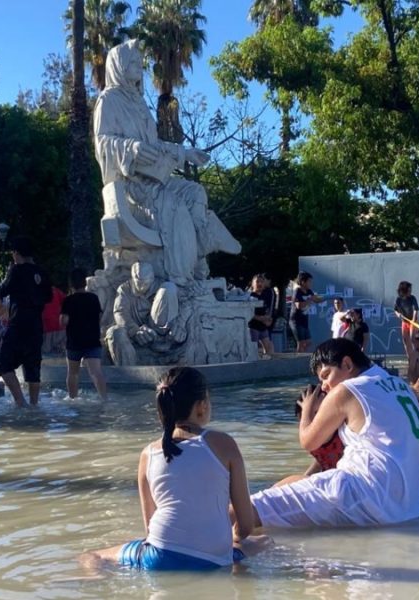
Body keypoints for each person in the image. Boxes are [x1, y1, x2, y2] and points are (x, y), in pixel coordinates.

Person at [80, 367, 263, 570]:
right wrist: (230, 541)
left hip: (158, 556)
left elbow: (150, 528)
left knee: (91, 556)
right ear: (201, 407)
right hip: (214, 558)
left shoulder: (148, 454)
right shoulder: (224, 444)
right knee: (263, 542)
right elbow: (246, 526)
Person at [93, 40, 240, 285]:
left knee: (195, 192)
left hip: (155, 180)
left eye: (140, 63)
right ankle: (181, 280)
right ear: (119, 66)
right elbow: (103, 142)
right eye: (133, 63)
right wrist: (132, 148)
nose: (140, 68)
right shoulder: (108, 100)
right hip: (131, 187)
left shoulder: (138, 103)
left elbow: (156, 145)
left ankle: (199, 253)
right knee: (175, 206)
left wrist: (185, 153)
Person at [247, 338, 419, 528]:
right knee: (291, 485)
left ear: (347, 364)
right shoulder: (403, 388)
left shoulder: (348, 390)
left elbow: (308, 441)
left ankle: (215, 537)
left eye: (326, 375)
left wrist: (307, 409)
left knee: (249, 509)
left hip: (362, 494)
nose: (324, 385)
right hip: (408, 511)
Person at [0, 236, 53, 407]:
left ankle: (20, 401)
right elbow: (48, 297)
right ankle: (34, 405)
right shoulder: (42, 272)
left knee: (2, 362)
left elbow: (2, 291)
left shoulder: (16, 270)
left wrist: (9, 274)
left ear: (16, 253)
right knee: (33, 367)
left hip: (18, 323)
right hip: (36, 326)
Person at [60, 268, 108, 400]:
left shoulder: (68, 300)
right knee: (96, 372)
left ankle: (72, 398)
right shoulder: (93, 298)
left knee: (73, 373)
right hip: (92, 340)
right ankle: (104, 398)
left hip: (74, 341)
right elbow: (99, 316)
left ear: (71, 284)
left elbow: (63, 320)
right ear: (84, 283)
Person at [289, 271, 323, 353]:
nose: (311, 283)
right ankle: (298, 360)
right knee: (300, 343)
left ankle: (300, 354)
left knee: (308, 342)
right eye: (309, 281)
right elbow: (299, 305)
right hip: (295, 320)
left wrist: (328, 297)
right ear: (303, 282)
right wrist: (309, 299)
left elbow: (317, 300)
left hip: (304, 320)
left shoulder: (309, 291)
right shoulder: (297, 292)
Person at [247, 274, 274, 356]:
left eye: (262, 282)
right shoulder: (249, 296)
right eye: (257, 282)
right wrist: (261, 318)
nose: (260, 284)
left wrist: (269, 319)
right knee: (254, 349)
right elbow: (248, 313)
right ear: (253, 284)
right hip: (253, 326)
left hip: (263, 326)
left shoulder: (266, 295)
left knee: (269, 347)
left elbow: (269, 310)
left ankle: (267, 364)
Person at [394, 281, 419, 357]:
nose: (410, 291)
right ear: (404, 290)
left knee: (412, 339)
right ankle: (409, 357)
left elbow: (416, 310)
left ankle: (416, 356)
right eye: (409, 289)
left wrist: (413, 320)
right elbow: (395, 310)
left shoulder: (412, 298)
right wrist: (398, 315)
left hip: (413, 321)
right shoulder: (398, 300)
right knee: (405, 340)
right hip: (404, 322)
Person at [42, 286, 67, 355]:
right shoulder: (55, 290)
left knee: (45, 353)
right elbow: (66, 301)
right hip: (59, 326)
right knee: (61, 352)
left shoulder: (35, 290)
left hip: (46, 327)